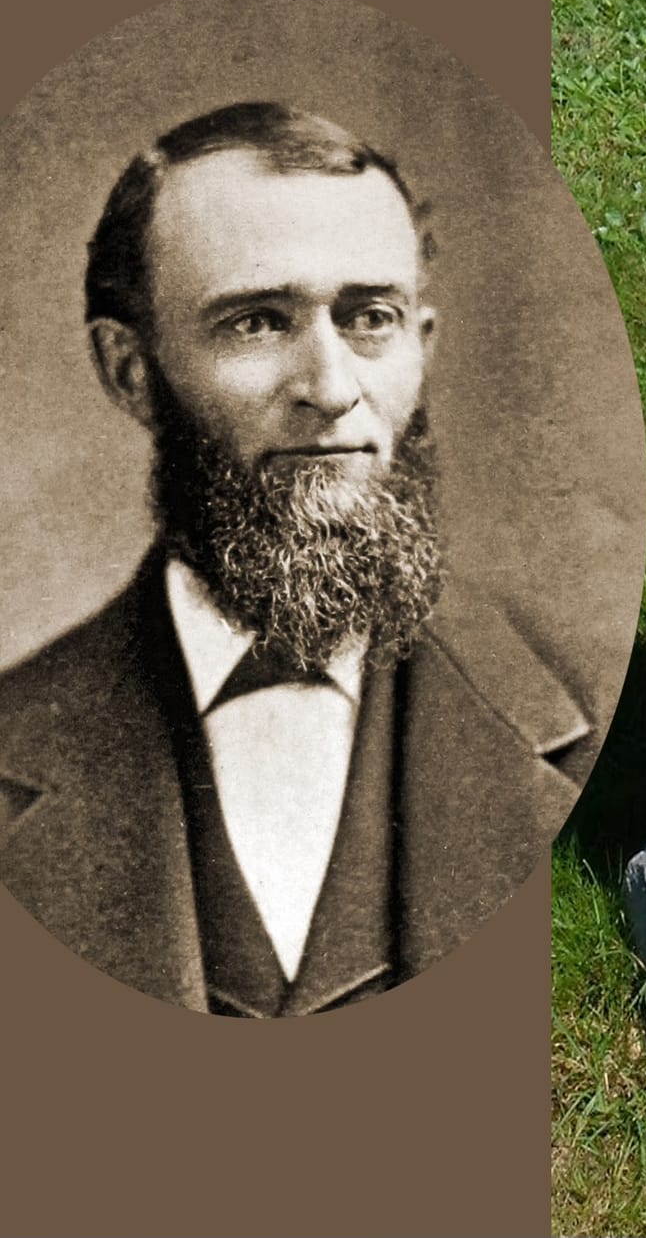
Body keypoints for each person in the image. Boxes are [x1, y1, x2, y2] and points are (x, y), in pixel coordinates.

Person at [0, 103, 593, 1016]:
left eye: (371, 318)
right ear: (130, 370)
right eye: (256, 323)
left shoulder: (587, 715)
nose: (331, 388)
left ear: (422, 347)